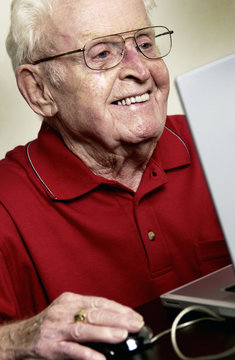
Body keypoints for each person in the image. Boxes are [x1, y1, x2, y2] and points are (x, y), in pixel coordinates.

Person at [0, 0, 231, 358]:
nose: (140, 69)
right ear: (39, 91)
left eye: (145, 43)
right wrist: (17, 340)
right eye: (102, 53)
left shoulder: (219, 135)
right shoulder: (5, 203)